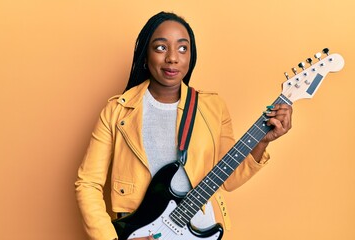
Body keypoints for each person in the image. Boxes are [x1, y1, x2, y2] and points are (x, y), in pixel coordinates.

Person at [75, 11, 292, 240]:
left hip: (199, 230)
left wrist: (262, 141)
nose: (172, 58)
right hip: (140, 233)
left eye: (182, 48)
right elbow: (87, 183)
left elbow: (229, 178)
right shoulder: (117, 110)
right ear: (145, 56)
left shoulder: (212, 107)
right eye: (160, 47)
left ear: (191, 56)